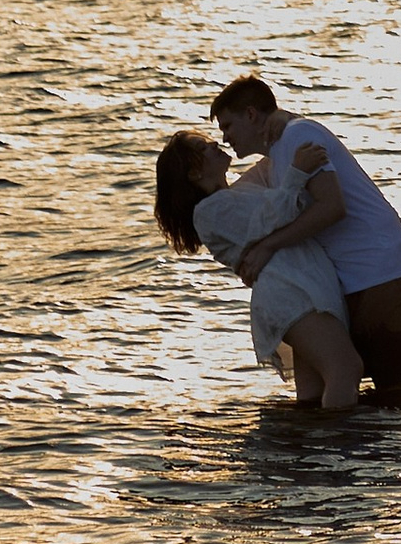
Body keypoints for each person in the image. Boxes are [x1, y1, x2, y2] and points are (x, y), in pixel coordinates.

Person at [207, 75, 401, 405]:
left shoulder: (297, 138)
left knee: (396, 393)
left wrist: (269, 246)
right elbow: (234, 203)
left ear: (252, 115)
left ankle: (388, 455)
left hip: (380, 268)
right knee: (377, 394)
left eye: (228, 126)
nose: (226, 139)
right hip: (358, 275)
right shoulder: (278, 155)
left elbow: (332, 207)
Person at [153, 129, 367, 412]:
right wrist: (297, 173)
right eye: (203, 147)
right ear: (193, 172)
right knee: (345, 368)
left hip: (303, 286)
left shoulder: (238, 192)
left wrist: (280, 132)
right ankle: (343, 448)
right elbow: (275, 215)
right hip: (291, 294)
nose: (215, 144)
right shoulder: (208, 212)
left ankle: (311, 450)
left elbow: (272, 165)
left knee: (313, 390)